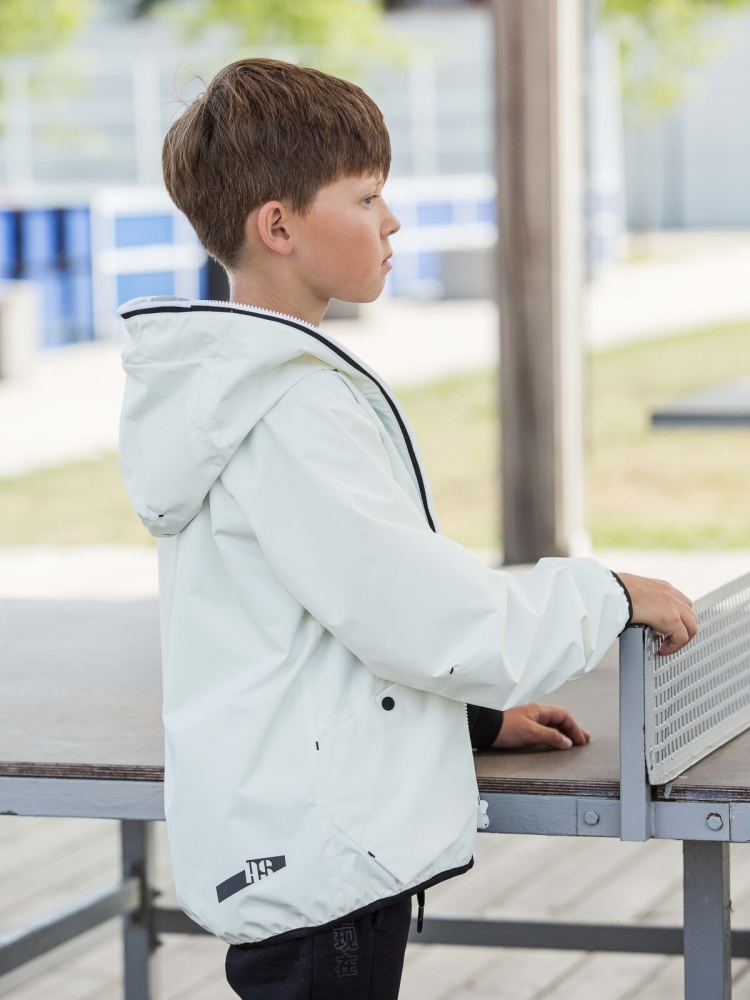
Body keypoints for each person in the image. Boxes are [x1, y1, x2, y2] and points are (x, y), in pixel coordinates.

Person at [118, 58, 697, 1000]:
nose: (392, 222)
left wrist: (471, 722)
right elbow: (430, 617)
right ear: (279, 226)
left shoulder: (240, 395)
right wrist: (609, 594)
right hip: (322, 866)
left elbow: (325, 624)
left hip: (299, 839)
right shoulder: (290, 410)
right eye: (367, 197)